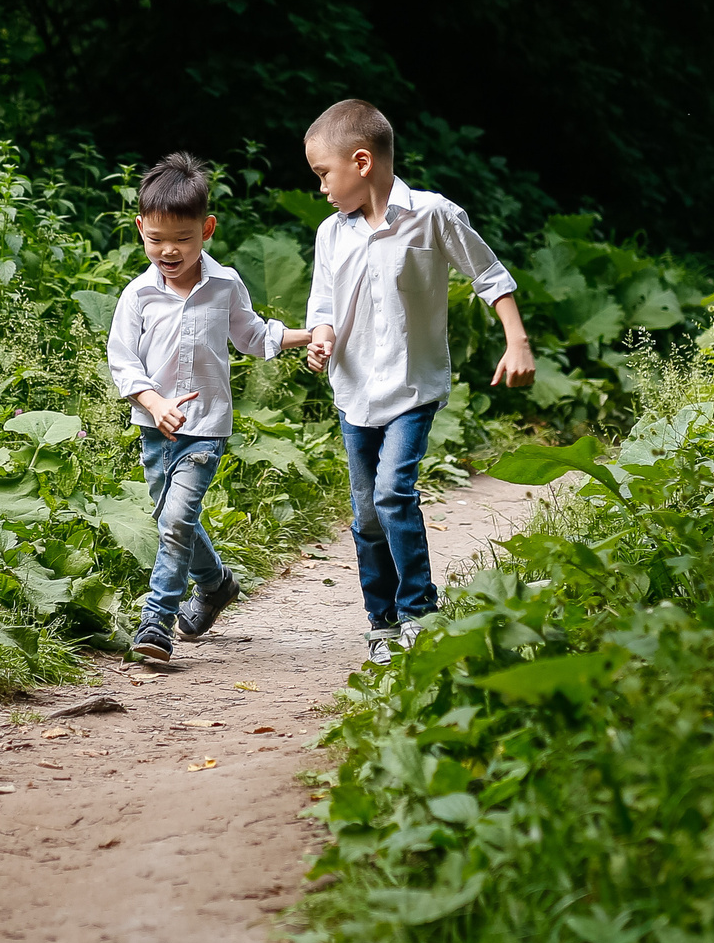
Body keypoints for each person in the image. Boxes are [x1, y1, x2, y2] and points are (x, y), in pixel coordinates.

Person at [302, 100, 537, 664]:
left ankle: (419, 611)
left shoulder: (433, 215)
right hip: (354, 391)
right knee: (364, 512)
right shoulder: (331, 233)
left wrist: (517, 339)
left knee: (392, 494)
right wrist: (321, 336)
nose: (321, 189)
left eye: (323, 174)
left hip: (412, 388)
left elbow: (489, 274)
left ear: (361, 162)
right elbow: (323, 303)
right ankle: (381, 622)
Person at [107, 152, 314, 663]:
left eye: (183, 239)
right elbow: (123, 362)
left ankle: (155, 621)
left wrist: (309, 336)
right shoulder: (138, 295)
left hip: (206, 428)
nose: (169, 251)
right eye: (156, 240)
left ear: (208, 229)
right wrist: (154, 403)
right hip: (156, 429)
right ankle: (217, 584)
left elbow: (252, 335)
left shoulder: (225, 285)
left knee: (177, 520)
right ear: (140, 229)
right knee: (170, 518)